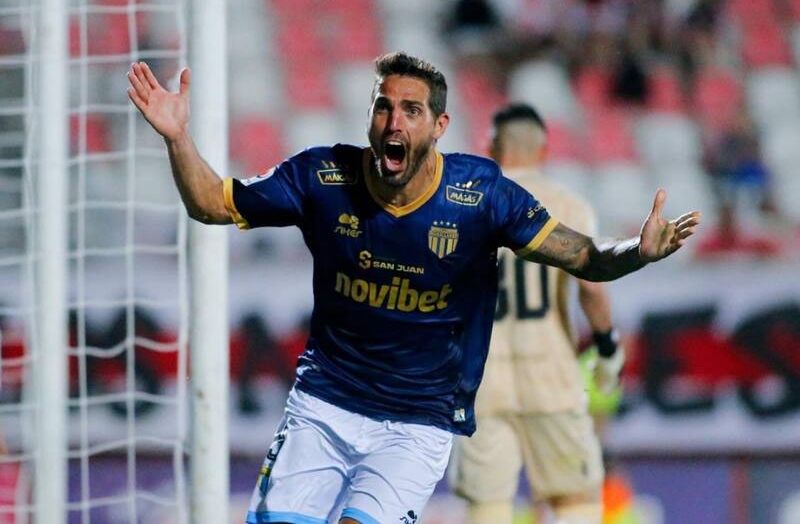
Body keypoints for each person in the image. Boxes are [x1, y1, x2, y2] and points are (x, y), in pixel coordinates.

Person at [126, 52, 700, 524]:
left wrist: (638, 252)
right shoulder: (320, 177)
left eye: (411, 110)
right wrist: (178, 137)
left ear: (439, 125)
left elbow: (586, 258)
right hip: (323, 405)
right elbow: (210, 204)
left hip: (418, 421)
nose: (394, 121)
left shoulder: (483, 195)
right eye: (383, 106)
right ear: (369, 116)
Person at [449, 103, 626, 524]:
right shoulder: (569, 205)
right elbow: (591, 291)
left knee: (487, 504)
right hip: (551, 374)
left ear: (491, 146)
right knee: (576, 499)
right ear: (544, 150)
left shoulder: (461, 206)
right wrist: (606, 347)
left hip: (482, 377)